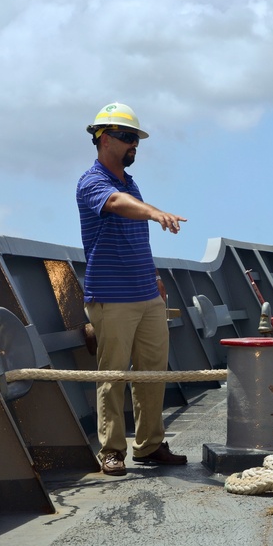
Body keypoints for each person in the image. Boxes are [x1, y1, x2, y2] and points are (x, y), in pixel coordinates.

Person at [77, 102, 189, 476]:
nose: (133, 145)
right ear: (104, 139)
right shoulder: (93, 182)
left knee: (153, 374)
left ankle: (150, 445)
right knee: (113, 376)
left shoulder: (130, 183)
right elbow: (118, 206)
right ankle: (111, 450)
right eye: (127, 138)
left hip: (147, 295)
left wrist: (154, 276)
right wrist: (155, 212)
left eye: (136, 139)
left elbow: (132, 230)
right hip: (112, 299)